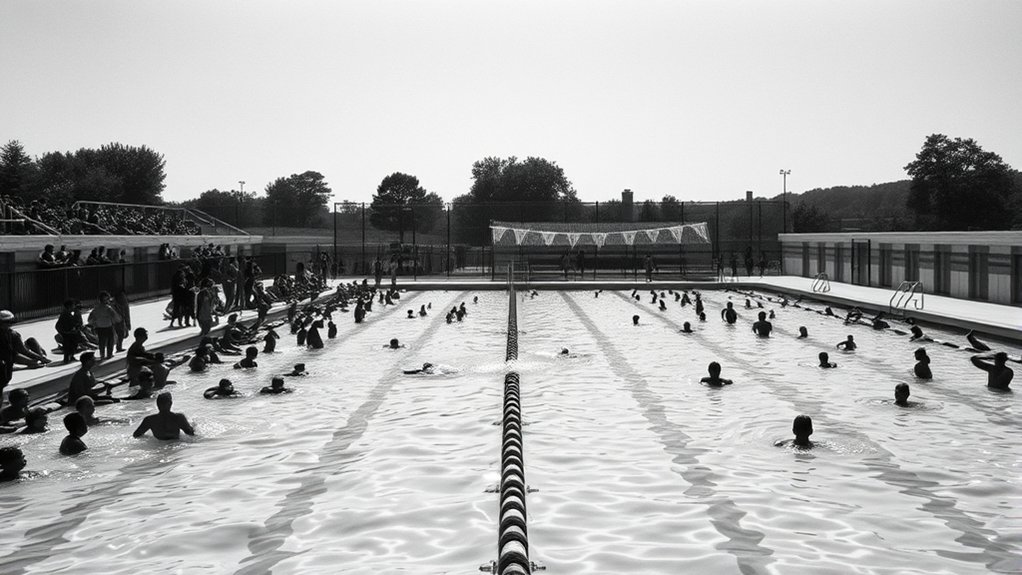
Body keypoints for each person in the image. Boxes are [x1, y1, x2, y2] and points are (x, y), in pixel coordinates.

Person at [87, 291, 121, 359]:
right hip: (108, 326)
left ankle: (102, 354)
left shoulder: (95, 309)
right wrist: (117, 320)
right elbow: (116, 317)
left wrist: (94, 323)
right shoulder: (108, 308)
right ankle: (109, 354)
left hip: (99, 327)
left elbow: (90, 319)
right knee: (110, 341)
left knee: (101, 341)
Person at [56, 299, 84, 363]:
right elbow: (67, 324)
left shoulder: (68, 313)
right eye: (73, 305)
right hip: (66, 333)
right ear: (69, 306)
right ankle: (67, 358)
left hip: (68, 332)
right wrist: (67, 331)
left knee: (72, 344)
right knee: (68, 345)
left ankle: (71, 357)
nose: (74, 307)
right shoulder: (65, 314)